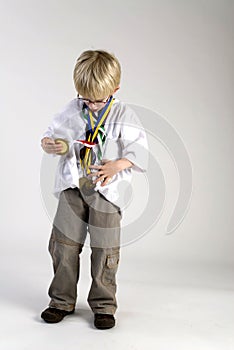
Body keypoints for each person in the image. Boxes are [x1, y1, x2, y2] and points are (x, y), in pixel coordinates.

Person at [40, 50, 148, 329]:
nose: (92, 104)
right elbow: (57, 137)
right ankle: (61, 301)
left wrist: (117, 165)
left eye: (98, 100)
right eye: (85, 98)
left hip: (106, 193)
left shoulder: (124, 114)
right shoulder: (73, 108)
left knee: (105, 249)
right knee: (63, 245)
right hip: (73, 187)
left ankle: (103, 305)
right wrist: (53, 145)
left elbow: (139, 151)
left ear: (115, 89)